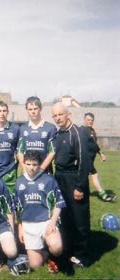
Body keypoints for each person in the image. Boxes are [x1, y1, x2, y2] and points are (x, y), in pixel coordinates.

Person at [51, 102, 91, 269]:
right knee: (64, 218)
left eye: (60, 114)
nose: (58, 118)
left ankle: (82, 255)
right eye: (55, 116)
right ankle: (68, 251)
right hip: (59, 177)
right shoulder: (57, 134)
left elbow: (85, 161)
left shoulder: (78, 132)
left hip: (74, 177)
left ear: (68, 115)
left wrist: (80, 186)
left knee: (79, 219)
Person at [14, 150, 65, 273]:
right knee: (35, 265)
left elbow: (58, 203)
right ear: (24, 163)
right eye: (29, 164)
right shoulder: (19, 182)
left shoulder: (48, 180)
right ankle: (46, 255)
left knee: (57, 247)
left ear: (39, 164)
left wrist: (52, 222)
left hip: (46, 222)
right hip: (28, 224)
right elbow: (18, 208)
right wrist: (20, 227)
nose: (31, 168)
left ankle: (54, 256)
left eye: (34, 164)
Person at [17, 96, 56, 174]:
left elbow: (52, 152)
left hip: (44, 172)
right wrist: (24, 169)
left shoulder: (50, 128)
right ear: (27, 110)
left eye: (35, 108)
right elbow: (19, 151)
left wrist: (41, 169)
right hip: (28, 172)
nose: (33, 111)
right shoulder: (23, 128)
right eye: (30, 109)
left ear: (40, 109)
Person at [83, 112, 116, 202]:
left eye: (92, 120)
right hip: (85, 159)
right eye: (88, 120)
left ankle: (77, 192)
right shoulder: (82, 131)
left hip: (91, 159)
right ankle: (103, 195)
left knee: (83, 178)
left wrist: (100, 154)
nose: (90, 122)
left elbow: (95, 145)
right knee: (94, 175)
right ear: (84, 120)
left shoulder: (92, 131)